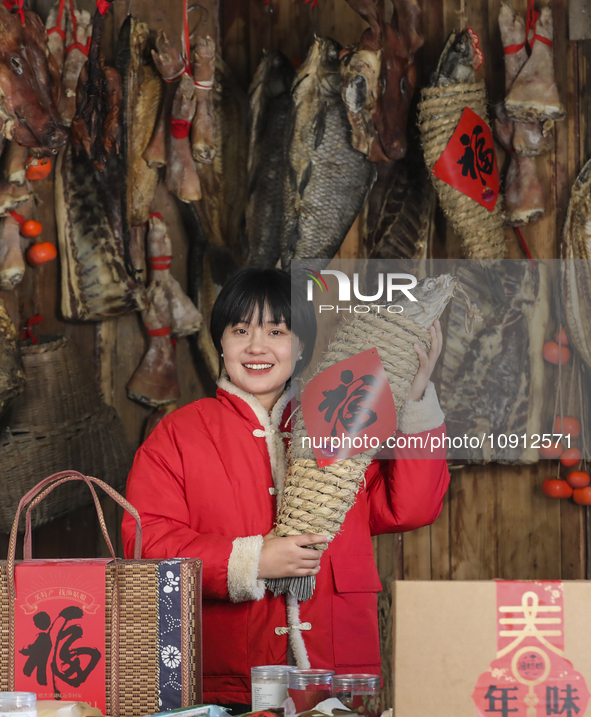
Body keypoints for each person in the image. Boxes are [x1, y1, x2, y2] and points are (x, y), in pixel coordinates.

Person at [122, 268, 450, 707]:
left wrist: (415, 398)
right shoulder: (179, 433)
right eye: (240, 331)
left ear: (300, 347)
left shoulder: (339, 417)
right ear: (221, 342)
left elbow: (408, 508)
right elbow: (146, 544)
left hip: (336, 673)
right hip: (228, 677)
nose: (256, 347)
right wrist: (253, 560)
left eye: (276, 331)